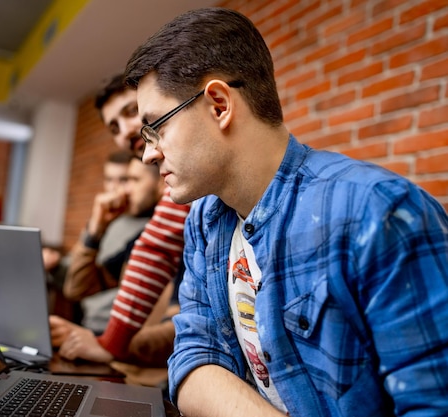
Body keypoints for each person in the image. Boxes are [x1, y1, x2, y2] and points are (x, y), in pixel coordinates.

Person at [123, 7, 448, 417]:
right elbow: (193, 355)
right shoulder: (206, 221)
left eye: (156, 127)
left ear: (219, 104)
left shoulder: (377, 212)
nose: (149, 154)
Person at [50, 74, 190, 366]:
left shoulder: (184, 206)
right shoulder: (132, 229)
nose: (126, 131)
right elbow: (76, 289)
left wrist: (110, 345)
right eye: (113, 126)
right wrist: (94, 229)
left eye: (131, 111)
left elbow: (157, 250)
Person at [61, 153, 164, 335]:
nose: (123, 190)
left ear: (162, 183)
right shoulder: (120, 225)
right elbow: (76, 288)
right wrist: (95, 231)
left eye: (131, 180)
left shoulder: (163, 230)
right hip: (100, 331)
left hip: (120, 339)